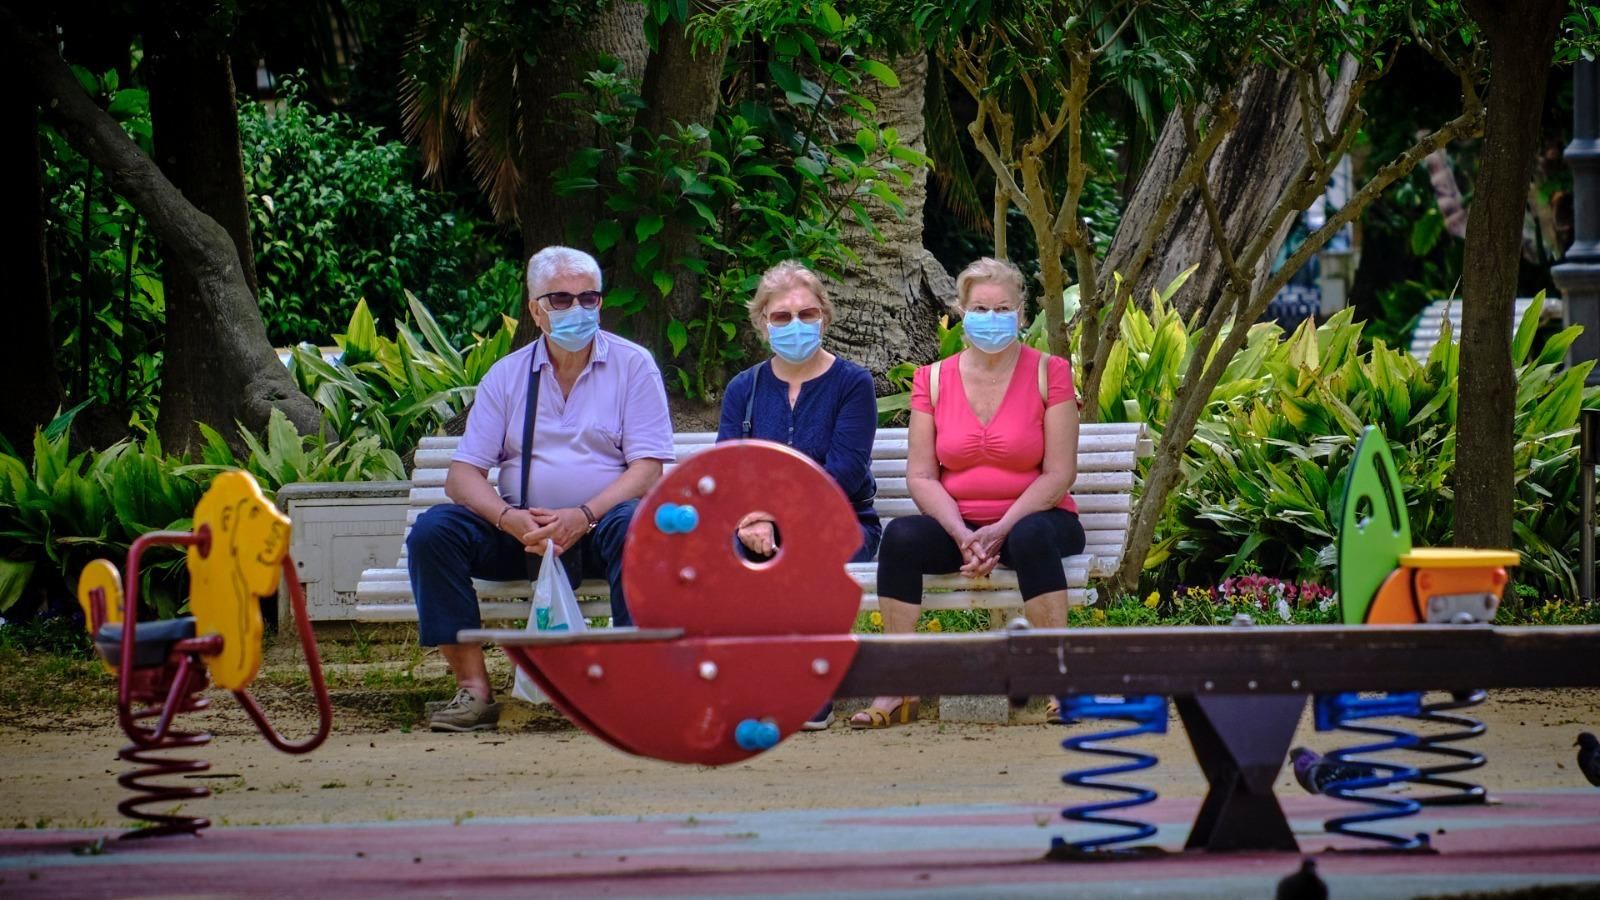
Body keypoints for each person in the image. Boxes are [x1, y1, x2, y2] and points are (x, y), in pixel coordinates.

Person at [408, 246, 675, 732]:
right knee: (433, 533)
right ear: (535, 309)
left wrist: (585, 514)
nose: (577, 310)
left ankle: (639, 686)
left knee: (638, 525)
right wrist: (510, 520)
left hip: (600, 531)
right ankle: (473, 691)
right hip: (522, 534)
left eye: (588, 298)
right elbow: (462, 476)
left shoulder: (634, 366)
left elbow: (647, 470)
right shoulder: (507, 376)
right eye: (560, 299)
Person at [849, 257, 1084, 729]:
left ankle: (1061, 681)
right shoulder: (932, 379)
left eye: (1003, 309)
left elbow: (1059, 474)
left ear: (1021, 314)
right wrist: (961, 533)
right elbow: (921, 476)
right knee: (901, 538)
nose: (992, 318)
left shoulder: (1050, 372)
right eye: (981, 307)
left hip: (1038, 519)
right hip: (960, 525)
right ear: (960, 310)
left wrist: (1000, 528)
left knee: (1033, 535)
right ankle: (897, 684)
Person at [718, 261, 880, 731]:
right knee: (726, 556)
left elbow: (844, 473)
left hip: (842, 523)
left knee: (800, 552)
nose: (796, 325)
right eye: (782, 316)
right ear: (762, 324)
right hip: (754, 525)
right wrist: (751, 520)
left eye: (807, 314)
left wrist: (772, 518)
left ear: (825, 318)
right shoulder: (743, 389)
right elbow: (729, 472)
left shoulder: (853, 384)